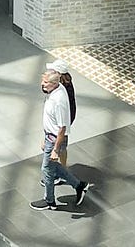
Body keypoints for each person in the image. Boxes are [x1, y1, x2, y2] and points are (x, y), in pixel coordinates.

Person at [32, 64, 90, 211]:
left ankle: (49, 201)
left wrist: (56, 150)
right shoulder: (56, 90)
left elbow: (62, 128)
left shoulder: (58, 101)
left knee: (47, 169)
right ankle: (79, 186)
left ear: (53, 84)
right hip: (49, 136)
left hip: (54, 139)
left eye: (45, 83)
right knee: (51, 168)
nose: (42, 84)